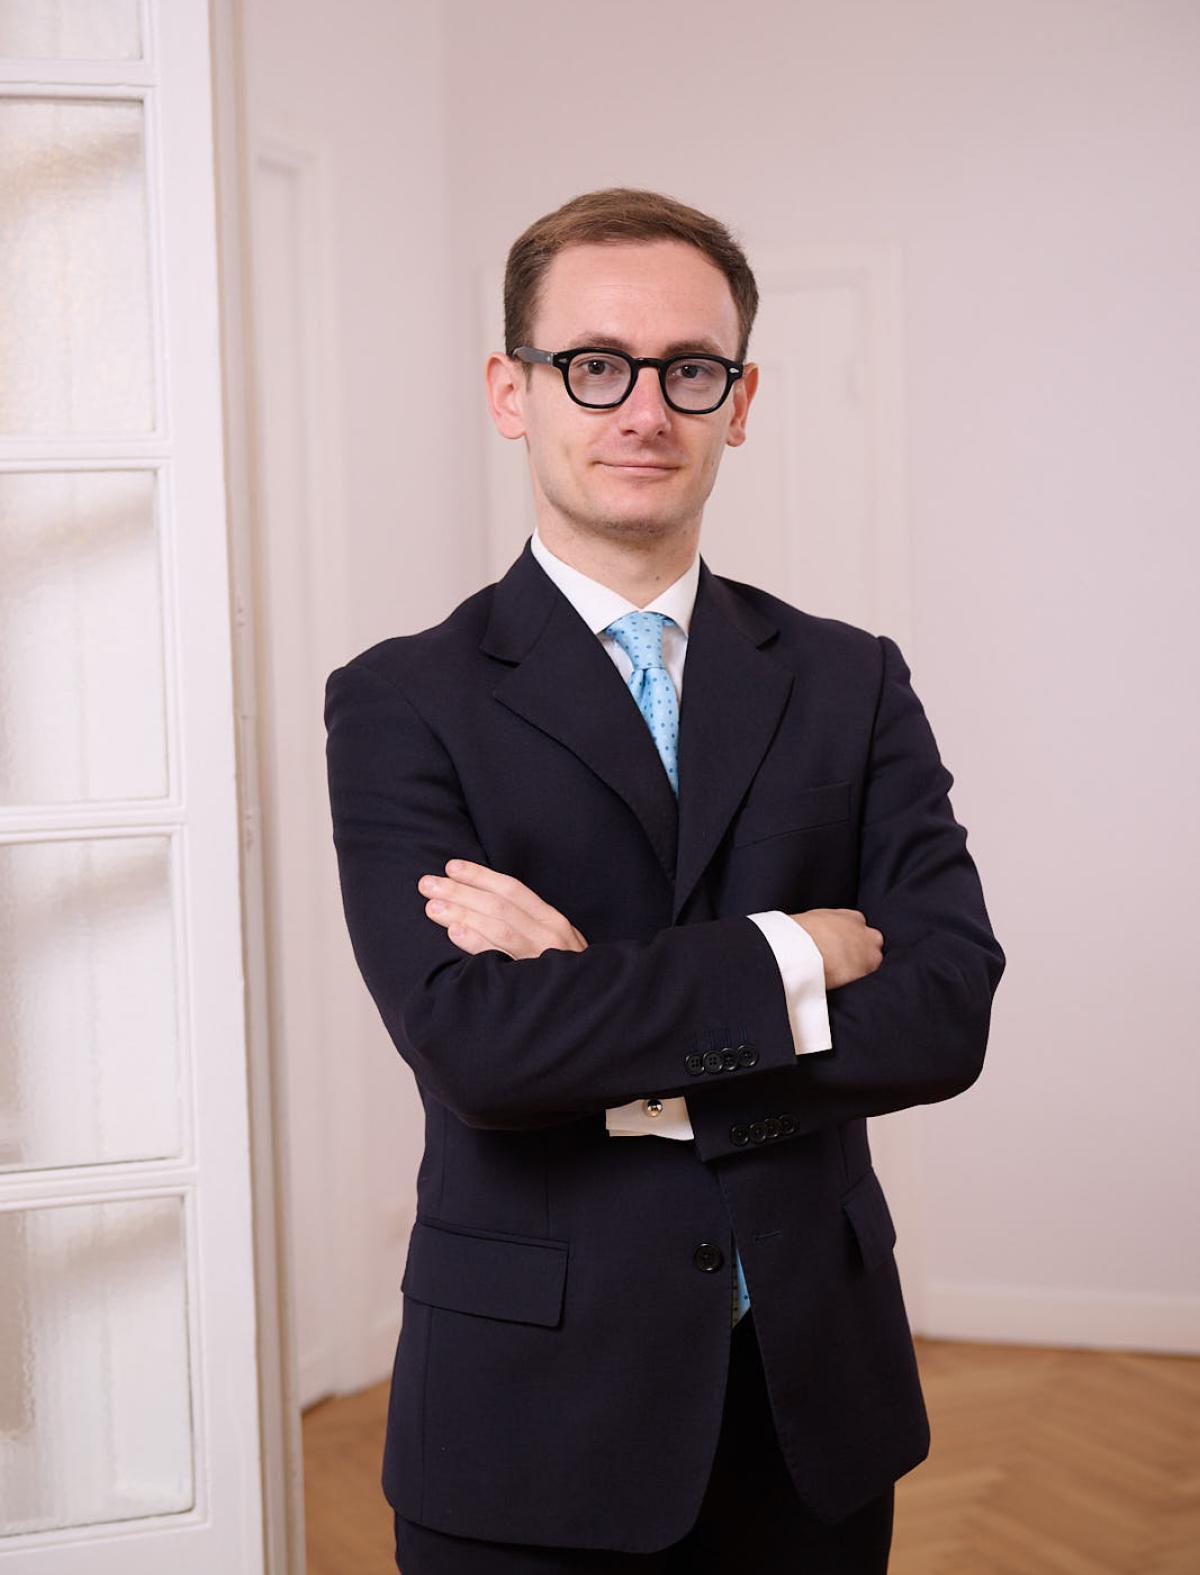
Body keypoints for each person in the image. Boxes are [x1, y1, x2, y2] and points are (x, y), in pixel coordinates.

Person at [324, 186, 1005, 1573]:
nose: (644, 409)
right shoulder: (401, 700)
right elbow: (476, 1051)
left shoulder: (852, 680)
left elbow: (947, 1010)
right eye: (595, 365)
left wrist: (594, 1016)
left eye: (689, 370)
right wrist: (793, 957)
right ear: (511, 391)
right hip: (529, 1416)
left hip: (812, 1404)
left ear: (738, 403)